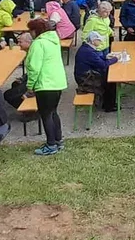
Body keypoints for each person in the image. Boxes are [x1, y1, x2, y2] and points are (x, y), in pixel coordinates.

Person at [26, 18, 67, 155]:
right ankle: (58, 140)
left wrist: (30, 85)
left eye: (30, 30)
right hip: (57, 82)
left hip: (45, 84)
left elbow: (34, 67)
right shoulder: (54, 41)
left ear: (35, 31)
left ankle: (51, 144)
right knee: (53, 112)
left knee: (46, 115)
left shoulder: (38, 44)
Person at [74, 31, 119, 109]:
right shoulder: (89, 52)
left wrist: (106, 57)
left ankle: (107, 102)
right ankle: (109, 106)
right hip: (85, 79)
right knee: (110, 81)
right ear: (93, 41)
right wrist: (115, 59)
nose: (100, 41)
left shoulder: (86, 48)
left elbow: (96, 58)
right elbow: (103, 65)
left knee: (107, 76)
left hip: (84, 75)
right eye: (99, 40)